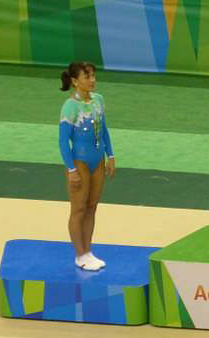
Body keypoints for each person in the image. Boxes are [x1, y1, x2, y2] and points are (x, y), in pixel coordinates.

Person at [59, 61, 115, 270]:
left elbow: (105, 129)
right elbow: (63, 141)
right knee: (79, 208)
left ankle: (88, 252)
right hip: (79, 162)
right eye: (87, 77)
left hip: (98, 161)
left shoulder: (98, 100)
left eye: (93, 76)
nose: (92, 81)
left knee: (92, 207)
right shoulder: (70, 107)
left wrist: (111, 155)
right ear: (75, 81)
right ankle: (79, 254)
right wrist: (71, 169)